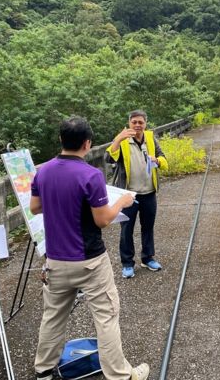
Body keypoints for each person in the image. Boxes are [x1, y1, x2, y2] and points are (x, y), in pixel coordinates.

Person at [31, 116, 149, 380]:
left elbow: (35, 207)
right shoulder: (90, 175)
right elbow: (103, 219)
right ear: (87, 144)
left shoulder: (43, 171)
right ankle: (120, 374)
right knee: (106, 316)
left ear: (61, 140)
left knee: (53, 316)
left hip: (55, 259)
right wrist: (123, 202)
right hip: (90, 260)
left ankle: (43, 370)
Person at [105, 110, 168, 279]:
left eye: (140, 122)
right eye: (134, 122)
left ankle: (147, 258)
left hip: (149, 192)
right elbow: (108, 159)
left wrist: (158, 160)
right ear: (129, 123)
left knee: (148, 227)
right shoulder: (123, 140)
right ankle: (127, 263)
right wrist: (118, 139)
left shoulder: (150, 138)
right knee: (127, 230)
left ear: (145, 123)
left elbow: (163, 156)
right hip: (128, 196)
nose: (137, 125)